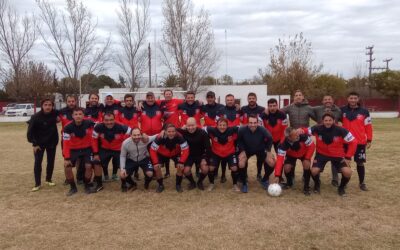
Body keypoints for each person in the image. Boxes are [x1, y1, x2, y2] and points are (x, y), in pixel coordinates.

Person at [300, 112, 357, 196]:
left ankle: (341, 188)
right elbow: (306, 131)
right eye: (326, 120)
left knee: (347, 172)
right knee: (314, 171)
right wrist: (300, 130)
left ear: (334, 121)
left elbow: (353, 142)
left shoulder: (341, 130)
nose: (328, 122)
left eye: (330, 120)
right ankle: (317, 184)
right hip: (321, 154)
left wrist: (348, 157)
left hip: (337, 155)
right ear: (322, 121)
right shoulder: (317, 128)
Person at [340, 92, 373, 191]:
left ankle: (362, 183)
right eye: (351, 98)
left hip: (360, 142)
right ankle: (344, 182)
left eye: (355, 98)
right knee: (346, 163)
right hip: (346, 142)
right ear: (347, 99)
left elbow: (368, 126)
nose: (353, 100)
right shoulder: (342, 110)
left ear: (358, 99)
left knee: (360, 163)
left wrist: (369, 139)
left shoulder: (364, 111)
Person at [62, 108, 97, 196]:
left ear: (83, 115)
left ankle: (87, 186)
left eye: (80, 114)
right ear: (72, 116)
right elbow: (65, 143)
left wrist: (95, 152)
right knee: (67, 167)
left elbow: (101, 125)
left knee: (88, 166)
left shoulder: (89, 123)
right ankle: (73, 187)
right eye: (76, 114)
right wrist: (66, 158)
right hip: (73, 150)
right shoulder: (67, 127)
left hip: (87, 149)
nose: (78, 116)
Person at [27, 98, 59, 191]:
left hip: (52, 142)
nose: (48, 107)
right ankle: (37, 184)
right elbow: (30, 132)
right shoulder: (35, 117)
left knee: (51, 162)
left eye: (50, 105)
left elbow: (63, 113)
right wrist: (34, 144)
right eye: (45, 105)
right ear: (42, 106)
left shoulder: (55, 114)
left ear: (52, 106)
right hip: (39, 144)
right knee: (38, 163)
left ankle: (48, 179)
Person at [237, 115, 275, 193]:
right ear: (247, 123)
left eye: (255, 123)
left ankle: (264, 180)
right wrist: (242, 150)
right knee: (241, 163)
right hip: (247, 150)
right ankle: (244, 183)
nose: (253, 125)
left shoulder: (262, 130)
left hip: (260, 149)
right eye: (251, 123)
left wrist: (268, 151)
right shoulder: (242, 130)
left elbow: (270, 139)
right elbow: (239, 141)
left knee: (272, 162)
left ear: (258, 123)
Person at [274, 127, 315, 195]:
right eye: (295, 135)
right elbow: (279, 160)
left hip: (304, 153)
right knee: (286, 168)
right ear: (289, 138)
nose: (297, 135)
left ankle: (306, 187)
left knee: (306, 164)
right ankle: (289, 183)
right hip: (291, 155)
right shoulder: (283, 144)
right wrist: (277, 175)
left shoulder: (302, 136)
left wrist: (307, 158)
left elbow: (312, 146)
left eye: (297, 133)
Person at [149, 124, 190, 193]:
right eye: (169, 131)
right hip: (162, 154)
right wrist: (155, 162)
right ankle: (160, 185)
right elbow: (152, 150)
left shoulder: (179, 137)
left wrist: (182, 161)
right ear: (165, 131)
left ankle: (178, 185)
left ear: (176, 131)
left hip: (175, 153)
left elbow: (186, 149)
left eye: (173, 131)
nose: (171, 133)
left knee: (180, 166)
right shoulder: (160, 137)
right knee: (157, 167)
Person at [92, 112, 131, 182]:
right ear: (103, 120)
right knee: (98, 162)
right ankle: (105, 176)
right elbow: (94, 140)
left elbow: (132, 132)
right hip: (104, 149)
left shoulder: (121, 126)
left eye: (111, 120)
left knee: (121, 163)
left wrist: (126, 146)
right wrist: (95, 153)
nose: (109, 122)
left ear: (114, 119)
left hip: (118, 149)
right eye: (106, 120)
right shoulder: (98, 127)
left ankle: (114, 175)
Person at [312, 94, 342, 187]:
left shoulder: (338, 110)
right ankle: (317, 178)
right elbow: (306, 110)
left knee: (335, 159)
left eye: (329, 99)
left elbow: (342, 120)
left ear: (333, 100)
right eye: (325, 99)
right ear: (322, 101)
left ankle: (335, 179)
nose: (327, 101)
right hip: (321, 137)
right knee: (320, 156)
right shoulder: (317, 109)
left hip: (335, 138)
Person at [204, 118, 240, 192]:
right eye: (220, 125)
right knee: (210, 168)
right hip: (216, 153)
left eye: (224, 125)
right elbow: (202, 128)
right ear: (216, 125)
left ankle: (235, 184)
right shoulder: (211, 130)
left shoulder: (232, 130)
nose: (222, 127)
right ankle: (211, 183)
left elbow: (242, 128)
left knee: (234, 168)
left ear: (227, 125)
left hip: (230, 153)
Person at [178, 118, 212, 191]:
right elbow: (173, 129)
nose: (191, 128)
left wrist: (205, 159)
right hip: (189, 155)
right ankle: (192, 182)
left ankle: (199, 182)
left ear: (196, 125)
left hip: (200, 155)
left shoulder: (203, 133)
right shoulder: (184, 132)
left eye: (192, 125)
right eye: (188, 126)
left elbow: (208, 148)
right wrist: (163, 131)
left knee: (205, 169)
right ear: (186, 126)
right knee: (186, 171)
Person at [215, 94, 242, 182]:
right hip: (225, 137)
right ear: (225, 101)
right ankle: (223, 175)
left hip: (237, 138)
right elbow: (216, 123)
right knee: (223, 157)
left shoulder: (239, 110)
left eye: (231, 100)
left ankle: (237, 175)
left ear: (234, 100)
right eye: (228, 100)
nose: (230, 101)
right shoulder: (221, 111)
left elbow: (243, 121)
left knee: (237, 156)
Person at [259, 98, 288, 180]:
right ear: (267, 106)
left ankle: (279, 176)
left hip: (279, 140)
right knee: (267, 157)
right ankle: (266, 175)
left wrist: (282, 142)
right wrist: (262, 115)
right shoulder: (263, 115)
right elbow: (260, 127)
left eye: (274, 105)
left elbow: (285, 130)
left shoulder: (282, 115)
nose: (272, 108)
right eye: (270, 106)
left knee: (280, 157)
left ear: (277, 105)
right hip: (267, 140)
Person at [59, 95, 84, 184]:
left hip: (79, 139)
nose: (71, 103)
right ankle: (68, 178)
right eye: (69, 101)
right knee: (67, 158)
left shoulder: (81, 110)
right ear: (66, 102)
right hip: (66, 140)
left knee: (79, 159)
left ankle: (79, 177)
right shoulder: (61, 112)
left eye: (73, 101)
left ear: (76, 101)